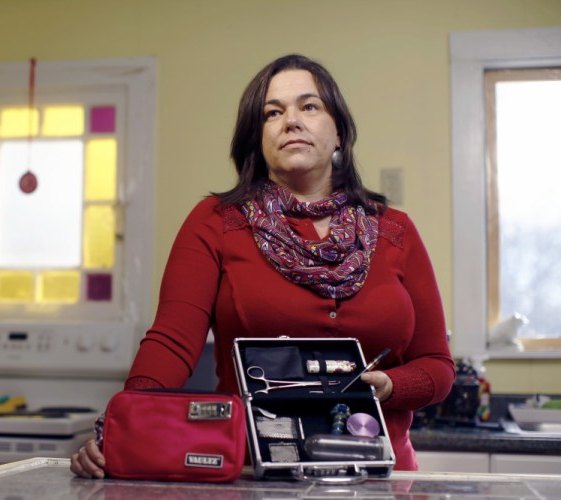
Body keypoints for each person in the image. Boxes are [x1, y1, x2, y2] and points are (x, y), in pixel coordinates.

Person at [71, 54, 455, 478]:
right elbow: (171, 342)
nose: (291, 121)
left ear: (340, 133)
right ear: (257, 138)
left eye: (309, 106)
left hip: (385, 476)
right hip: (258, 475)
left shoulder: (395, 230)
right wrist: (122, 425)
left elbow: (437, 364)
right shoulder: (215, 221)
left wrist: (391, 387)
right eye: (273, 112)